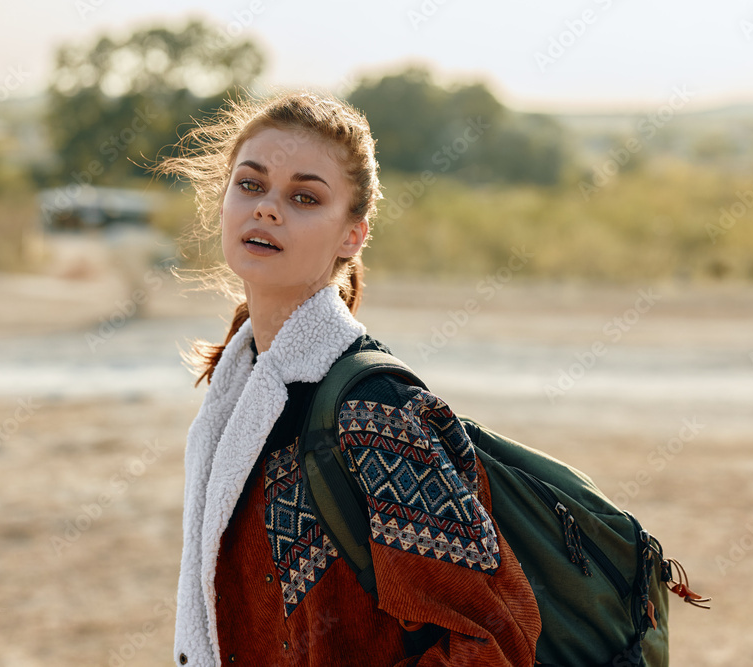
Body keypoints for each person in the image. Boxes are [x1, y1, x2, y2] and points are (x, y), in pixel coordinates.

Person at [160, 91, 541, 667]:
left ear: (351, 236)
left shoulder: (374, 410)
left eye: (304, 197)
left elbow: (494, 639)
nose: (267, 209)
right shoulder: (238, 385)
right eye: (250, 184)